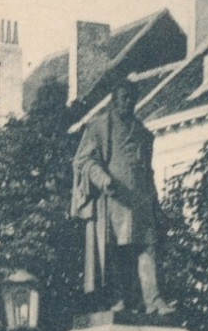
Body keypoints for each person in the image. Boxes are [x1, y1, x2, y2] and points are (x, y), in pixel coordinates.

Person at [71, 81, 174, 315]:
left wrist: (156, 204)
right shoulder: (98, 127)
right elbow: (83, 161)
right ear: (113, 101)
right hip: (113, 199)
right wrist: (101, 178)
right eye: (124, 97)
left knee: (147, 246)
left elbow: (148, 172)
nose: (128, 102)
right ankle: (118, 299)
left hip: (140, 199)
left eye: (131, 98)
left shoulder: (142, 134)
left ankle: (153, 300)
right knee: (115, 249)